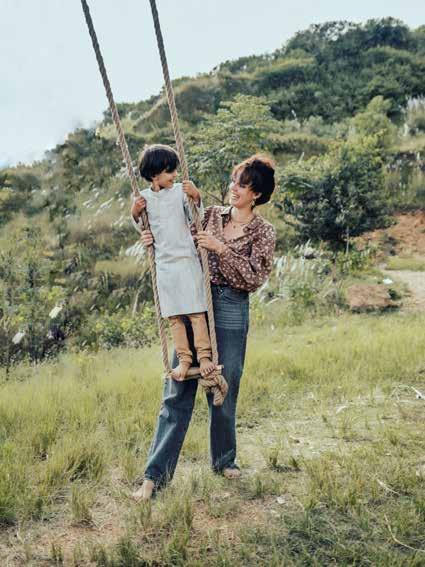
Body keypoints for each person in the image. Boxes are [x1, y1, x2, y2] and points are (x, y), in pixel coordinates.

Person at [133, 154, 276, 500]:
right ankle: (154, 475)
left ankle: (224, 460)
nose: (233, 189)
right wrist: (147, 233)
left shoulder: (263, 231)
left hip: (231, 306)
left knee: (224, 383)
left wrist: (221, 249)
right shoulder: (210, 214)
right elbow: (173, 233)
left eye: (242, 185)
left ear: (256, 194)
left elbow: (254, 277)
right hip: (195, 298)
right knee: (177, 388)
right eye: (233, 181)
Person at [131, 144, 216, 380]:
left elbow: (196, 217)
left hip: (186, 260)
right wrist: (135, 213)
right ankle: (184, 359)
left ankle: (205, 356)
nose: (175, 175)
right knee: (174, 317)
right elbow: (141, 226)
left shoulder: (180, 191)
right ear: (154, 175)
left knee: (196, 312)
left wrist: (196, 196)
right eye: (170, 171)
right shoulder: (143, 199)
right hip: (164, 265)